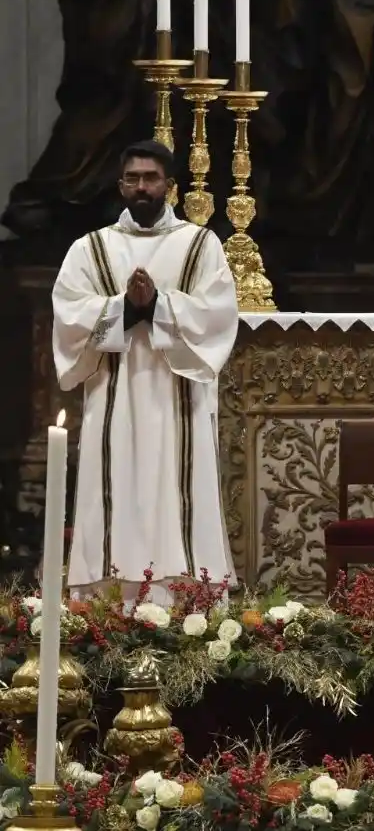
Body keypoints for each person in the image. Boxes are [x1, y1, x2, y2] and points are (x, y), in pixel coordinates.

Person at [51, 139, 240, 605]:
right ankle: (106, 606)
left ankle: (185, 608)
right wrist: (124, 310)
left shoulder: (200, 244)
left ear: (171, 186)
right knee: (113, 490)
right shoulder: (90, 248)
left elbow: (218, 316)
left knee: (178, 493)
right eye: (132, 178)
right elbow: (69, 317)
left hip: (179, 403)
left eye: (151, 178)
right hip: (111, 398)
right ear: (120, 185)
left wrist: (156, 304)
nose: (141, 187)